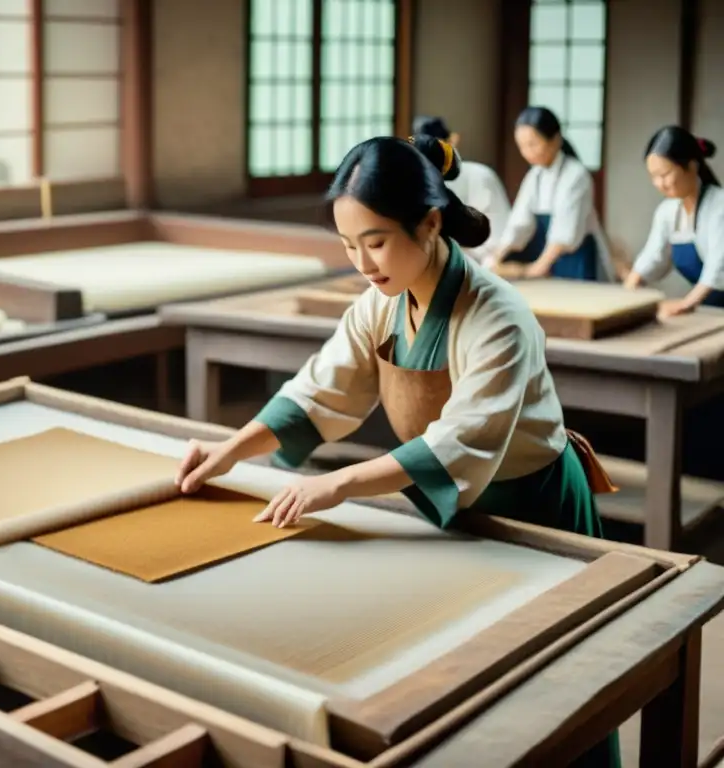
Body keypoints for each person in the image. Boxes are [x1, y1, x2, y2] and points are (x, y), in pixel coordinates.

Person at [174, 133, 620, 768]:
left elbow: (461, 439)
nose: (362, 262)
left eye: (376, 241)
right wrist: (229, 450)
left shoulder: (498, 316)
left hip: (535, 507)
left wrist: (340, 483)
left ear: (431, 223)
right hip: (452, 509)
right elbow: (318, 389)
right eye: (349, 245)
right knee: (474, 694)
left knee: (558, 683)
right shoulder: (377, 306)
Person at [489, 106, 616, 282]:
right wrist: (497, 255)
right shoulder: (535, 175)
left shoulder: (576, 174)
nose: (527, 152)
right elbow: (519, 222)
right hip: (549, 260)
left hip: (577, 260)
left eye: (533, 144)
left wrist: (538, 267)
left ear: (555, 140)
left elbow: (565, 232)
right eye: (522, 146)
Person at [624, 126, 724, 315]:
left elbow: (718, 267)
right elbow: (654, 257)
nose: (659, 184)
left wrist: (685, 304)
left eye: (665, 174)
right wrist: (629, 289)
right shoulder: (667, 211)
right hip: (711, 311)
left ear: (692, 166)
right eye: (653, 176)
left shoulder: (720, 206)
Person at [413, 114, 512, 264]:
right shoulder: (416, 182)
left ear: (452, 141)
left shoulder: (480, 175)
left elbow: (498, 235)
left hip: (485, 257)